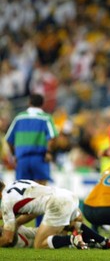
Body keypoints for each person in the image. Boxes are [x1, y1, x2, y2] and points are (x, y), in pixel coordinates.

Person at [0, 179, 110, 249]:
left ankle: (72, 239)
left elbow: (8, 239)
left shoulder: (6, 202)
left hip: (57, 203)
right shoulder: (16, 183)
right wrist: (17, 223)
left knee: (39, 244)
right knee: (71, 224)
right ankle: (103, 241)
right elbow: (33, 211)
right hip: (67, 195)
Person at [5, 93, 58, 227]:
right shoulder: (46, 118)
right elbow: (52, 137)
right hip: (39, 159)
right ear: (42, 104)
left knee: (19, 195)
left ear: (29, 103)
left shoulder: (19, 118)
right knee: (42, 194)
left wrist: (14, 155)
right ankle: (39, 227)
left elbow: (8, 139)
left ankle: (12, 227)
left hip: (22, 160)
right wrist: (49, 152)